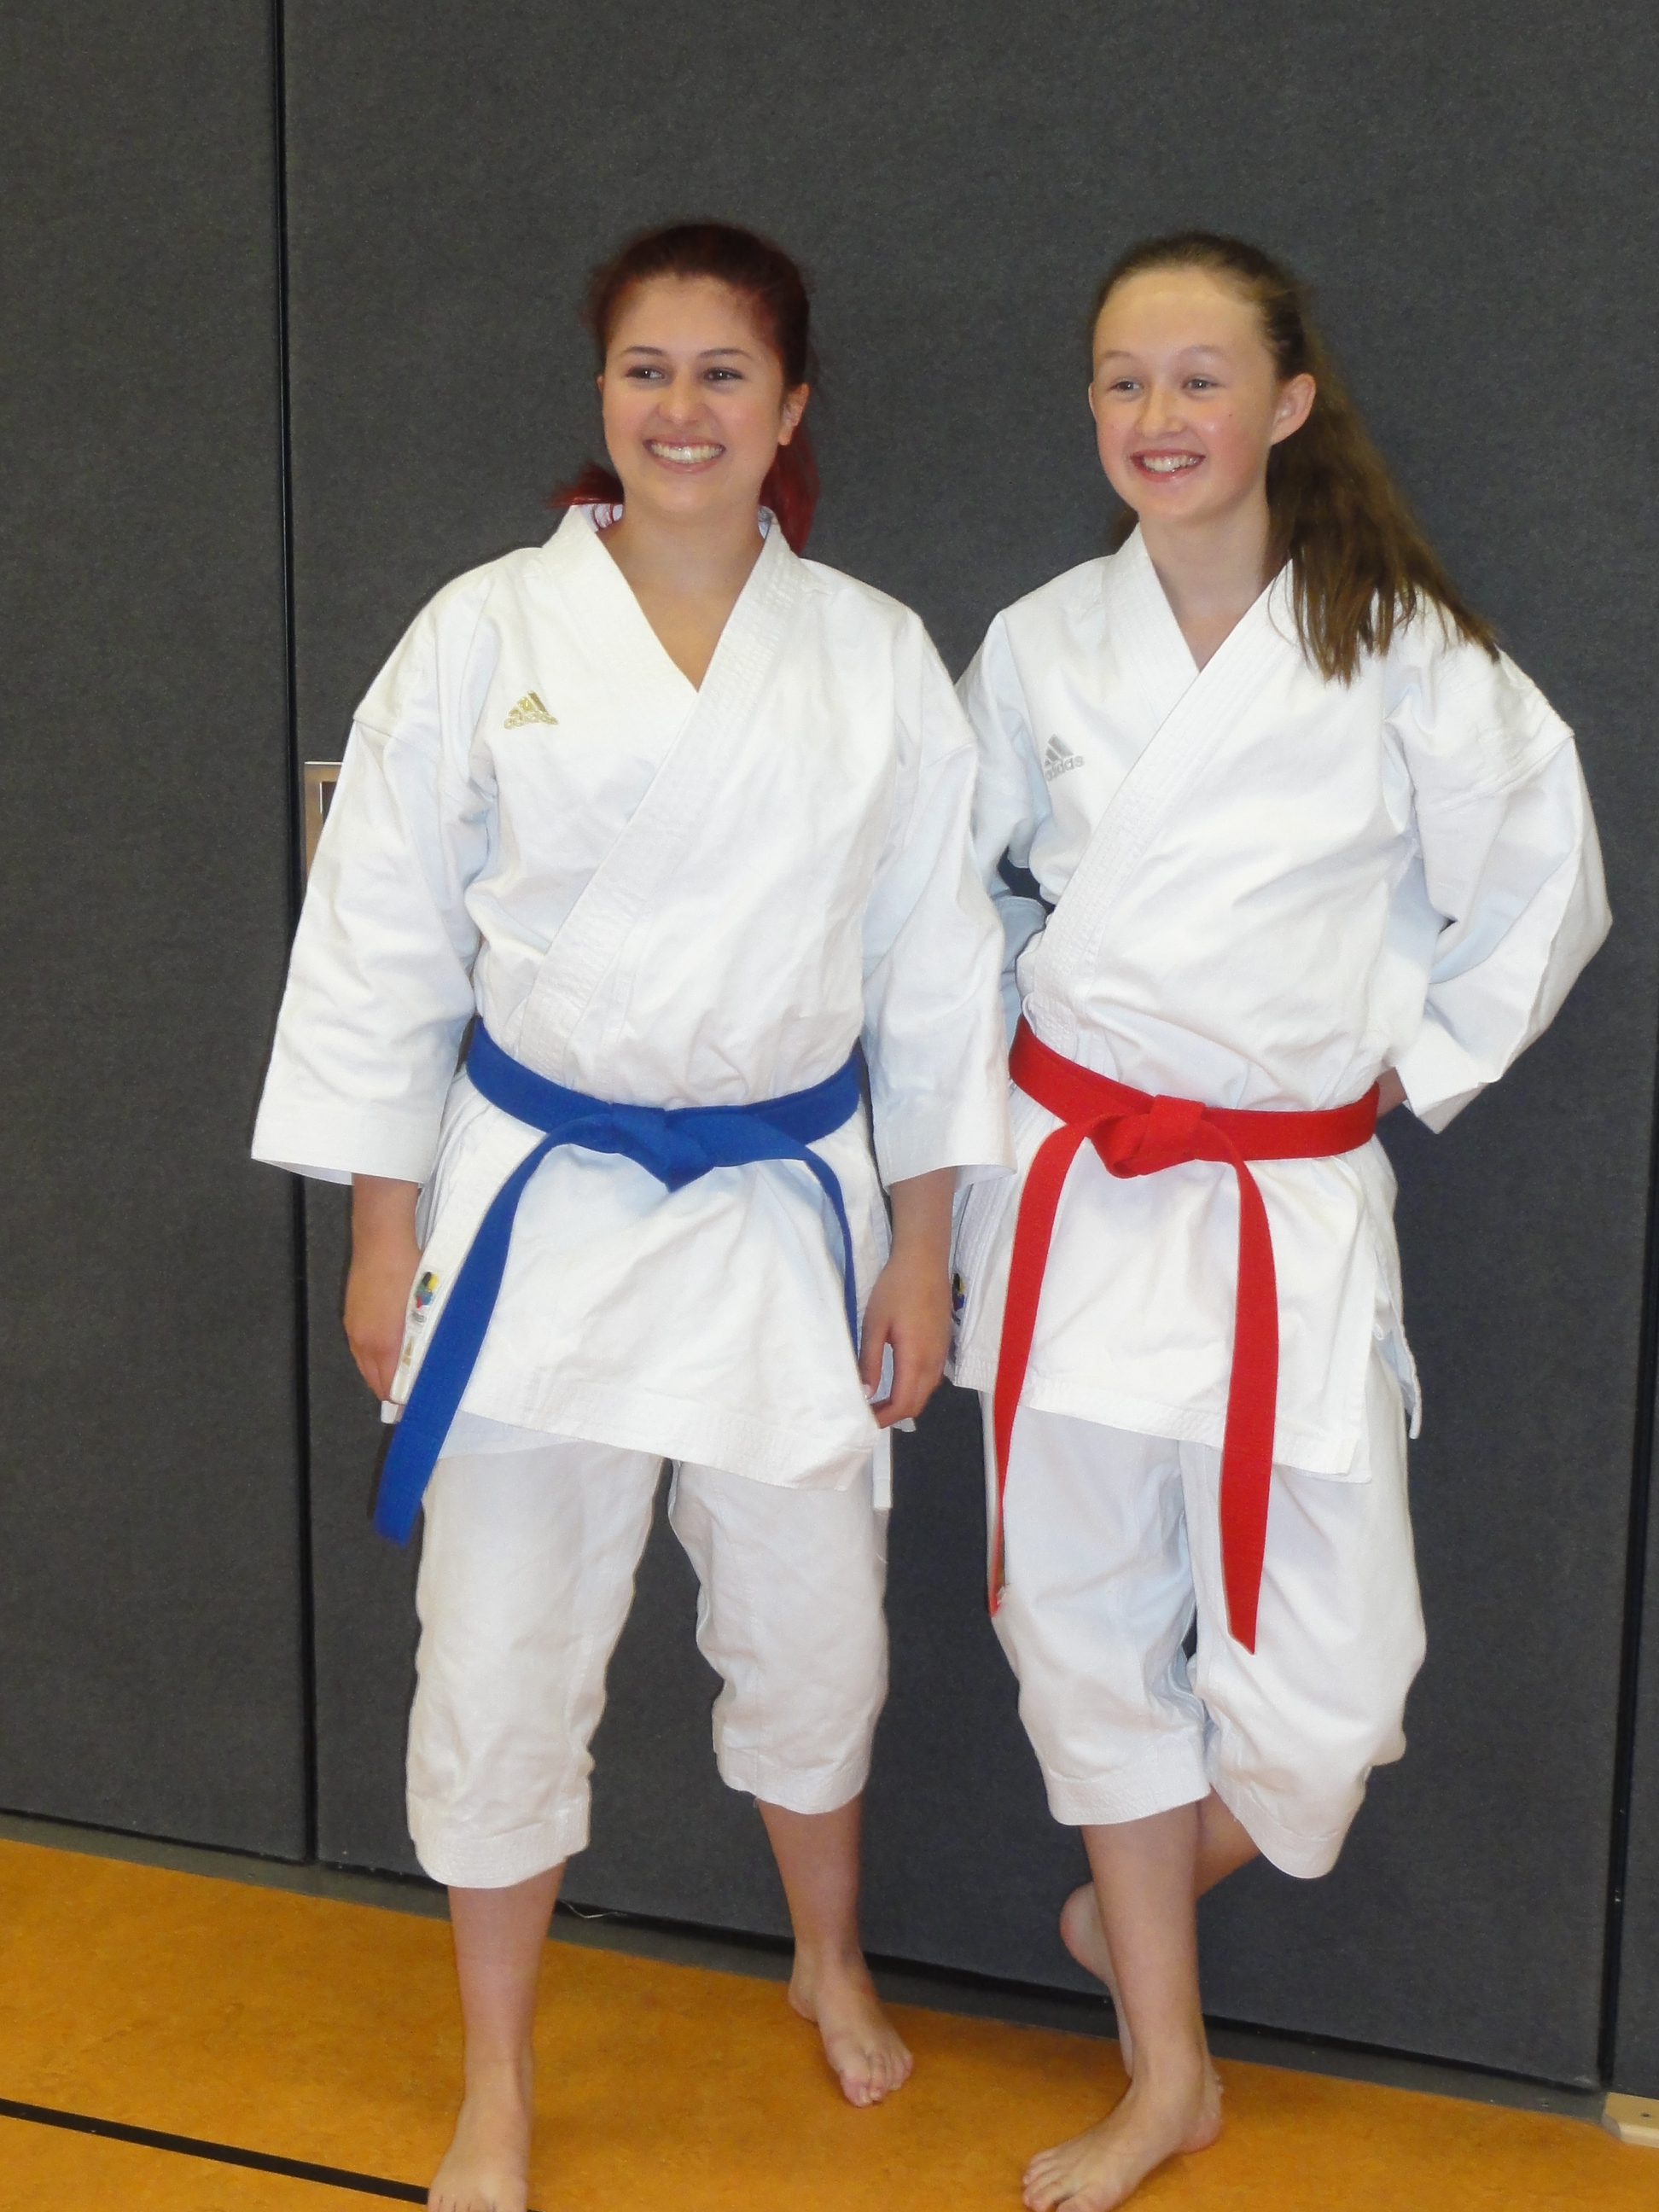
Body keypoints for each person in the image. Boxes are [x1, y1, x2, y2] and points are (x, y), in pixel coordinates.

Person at [253, 220, 1011, 2212]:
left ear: (792, 408)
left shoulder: (871, 655)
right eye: (645, 370)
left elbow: (939, 974)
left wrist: (923, 1246)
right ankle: (497, 2077)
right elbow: (383, 942)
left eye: (723, 373)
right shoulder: (484, 633)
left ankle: (826, 1955)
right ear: (603, 395)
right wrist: (382, 1231)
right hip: (539, 1213)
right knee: (499, 1649)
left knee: (815, 1630)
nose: (681, 409)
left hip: (779, 1215)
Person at [950, 231, 1609, 2212]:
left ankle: (1139, 1900)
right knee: (1085, 1642)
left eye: (1199, 378)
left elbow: (1546, 886)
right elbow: (946, 905)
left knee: (1339, 1693)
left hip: (1278, 1207)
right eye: (1122, 380)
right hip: (1073, 1196)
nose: (1156, 415)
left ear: (1289, 403)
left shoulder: (1400, 647)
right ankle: (1167, 2072)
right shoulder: (1041, 644)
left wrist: (1401, 1067)